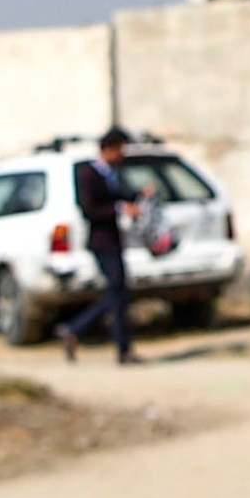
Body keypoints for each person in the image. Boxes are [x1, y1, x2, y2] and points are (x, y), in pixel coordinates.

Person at [57, 127, 142, 364]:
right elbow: (89, 209)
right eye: (120, 150)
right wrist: (118, 209)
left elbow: (122, 195)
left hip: (114, 240)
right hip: (101, 241)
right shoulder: (88, 174)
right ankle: (117, 347)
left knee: (119, 293)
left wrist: (137, 196)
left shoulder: (112, 174)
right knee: (117, 292)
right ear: (109, 149)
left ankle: (76, 331)